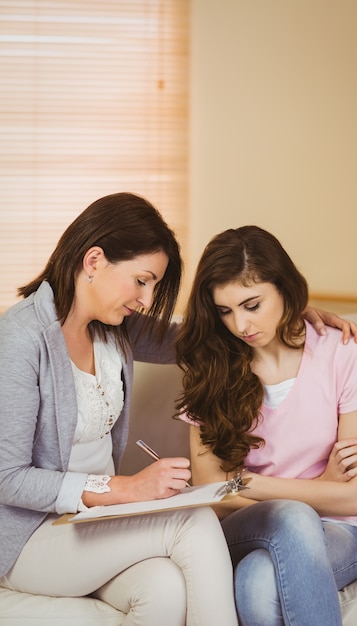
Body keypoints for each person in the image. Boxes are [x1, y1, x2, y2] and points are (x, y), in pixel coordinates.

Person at [0, 192, 238, 626]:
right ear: (94, 261)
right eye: (142, 280)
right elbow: (8, 478)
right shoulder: (21, 340)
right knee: (196, 522)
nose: (146, 299)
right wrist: (126, 489)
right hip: (30, 538)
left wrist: (288, 317)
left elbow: (199, 337)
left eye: (154, 286)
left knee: (164, 589)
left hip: (91, 526)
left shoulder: (116, 330)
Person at [175, 225, 357, 626]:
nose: (240, 324)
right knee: (292, 517)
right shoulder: (211, 367)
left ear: (285, 289)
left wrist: (251, 482)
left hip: (339, 533)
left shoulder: (344, 352)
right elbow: (213, 493)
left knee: (256, 582)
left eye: (252, 305)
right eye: (225, 310)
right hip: (249, 526)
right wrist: (324, 485)